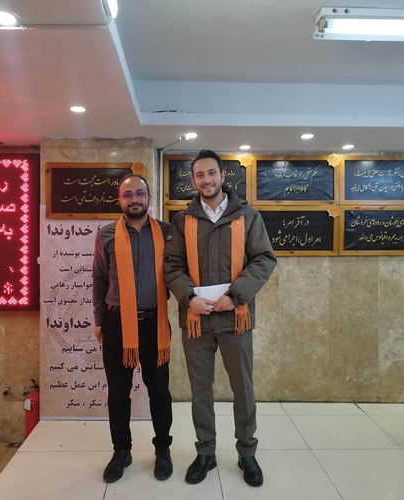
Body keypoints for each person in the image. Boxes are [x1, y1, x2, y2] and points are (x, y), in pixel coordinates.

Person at [164, 149, 277, 487]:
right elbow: (172, 266)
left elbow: (264, 259)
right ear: (193, 180)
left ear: (222, 176)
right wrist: (189, 297)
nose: (206, 180)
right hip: (196, 320)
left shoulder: (248, 216)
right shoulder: (182, 221)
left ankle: (247, 452)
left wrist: (235, 295)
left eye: (211, 173)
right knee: (200, 390)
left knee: (243, 388)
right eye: (199, 175)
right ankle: (206, 452)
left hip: (235, 318)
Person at [92, 174, 173, 483]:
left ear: (149, 198)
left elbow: (177, 273)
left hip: (154, 323)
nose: (134, 199)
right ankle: (121, 451)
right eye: (128, 194)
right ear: (119, 200)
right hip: (116, 323)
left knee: (159, 390)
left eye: (140, 193)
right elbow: (100, 278)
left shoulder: (167, 232)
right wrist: (99, 319)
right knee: (118, 392)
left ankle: (162, 449)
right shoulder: (106, 234)